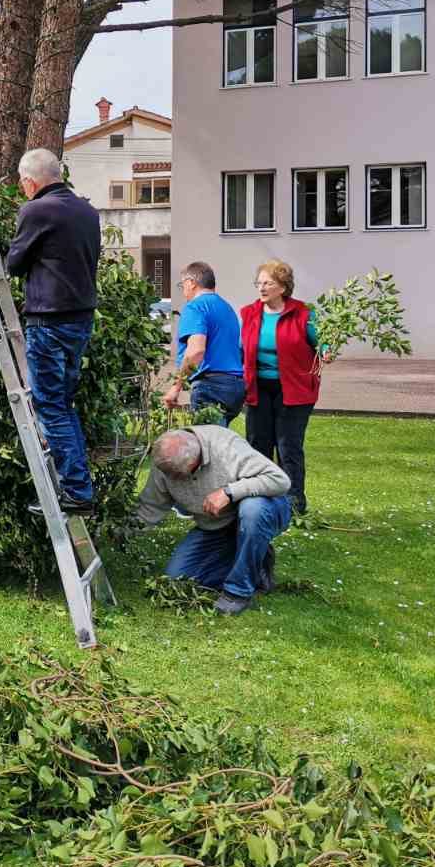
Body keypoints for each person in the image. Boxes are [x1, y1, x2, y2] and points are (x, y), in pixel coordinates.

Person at [5, 148, 102, 511]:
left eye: (22, 183)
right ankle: (80, 486)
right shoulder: (87, 211)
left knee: (50, 406)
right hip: (80, 319)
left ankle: (76, 490)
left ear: (31, 181)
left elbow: (14, 264)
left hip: (49, 319)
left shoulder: (36, 210)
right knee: (63, 403)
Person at [130, 426, 292, 615]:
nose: (172, 479)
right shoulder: (166, 462)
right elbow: (150, 508)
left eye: (177, 475)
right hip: (217, 525)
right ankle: (255, 562)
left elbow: (280, 480)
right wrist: (120, 532)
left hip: (264, 510)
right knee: (177, 579)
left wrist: (229, 492)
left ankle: (238, 593)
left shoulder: (226, 447)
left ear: (195, 463)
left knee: (252, 509)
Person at [240, 260, 319, 517]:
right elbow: (242, 348)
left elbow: (323, 342)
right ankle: (259, 499)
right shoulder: (249, 313)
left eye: (268, 283)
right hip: (258, 388)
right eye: (259, 282)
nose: (262, 288)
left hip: (293, 389)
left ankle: (293, 503)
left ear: (283, 287)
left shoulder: (304, 313)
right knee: (257, 443)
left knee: (288, 446)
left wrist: (327, 352)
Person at [161, 260, 245, 421]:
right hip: (234, 387)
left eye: (182, 284)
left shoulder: (195, 307)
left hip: (211, 386)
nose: (183, 290)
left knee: (207, 443)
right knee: (219, 441)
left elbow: (196, 351)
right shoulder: (227, 308)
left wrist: (176, 387)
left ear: (191, 283)